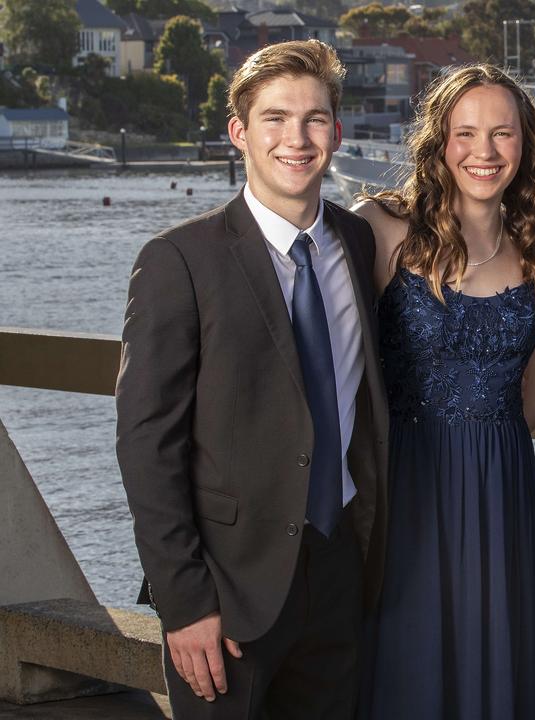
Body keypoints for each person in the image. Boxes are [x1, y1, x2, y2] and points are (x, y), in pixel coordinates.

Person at [116, 40, 387, 719]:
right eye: (275, 118)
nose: (296, 138)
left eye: (315, 119)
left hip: (337, 566)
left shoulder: (358, 245)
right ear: (239, 132)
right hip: (227, 587)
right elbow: (148, 446)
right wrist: (184, 606)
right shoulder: (179, 260)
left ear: (337, 131)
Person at [352, 63, 535, 719]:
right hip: (404, 483)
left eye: (502, 134)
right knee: (408, 661)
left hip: (502, 488)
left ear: (525, 144)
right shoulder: (383, 229)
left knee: (496, 657)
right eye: (466, 133)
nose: (485, 152)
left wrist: (487, 432)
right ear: (439, 142)